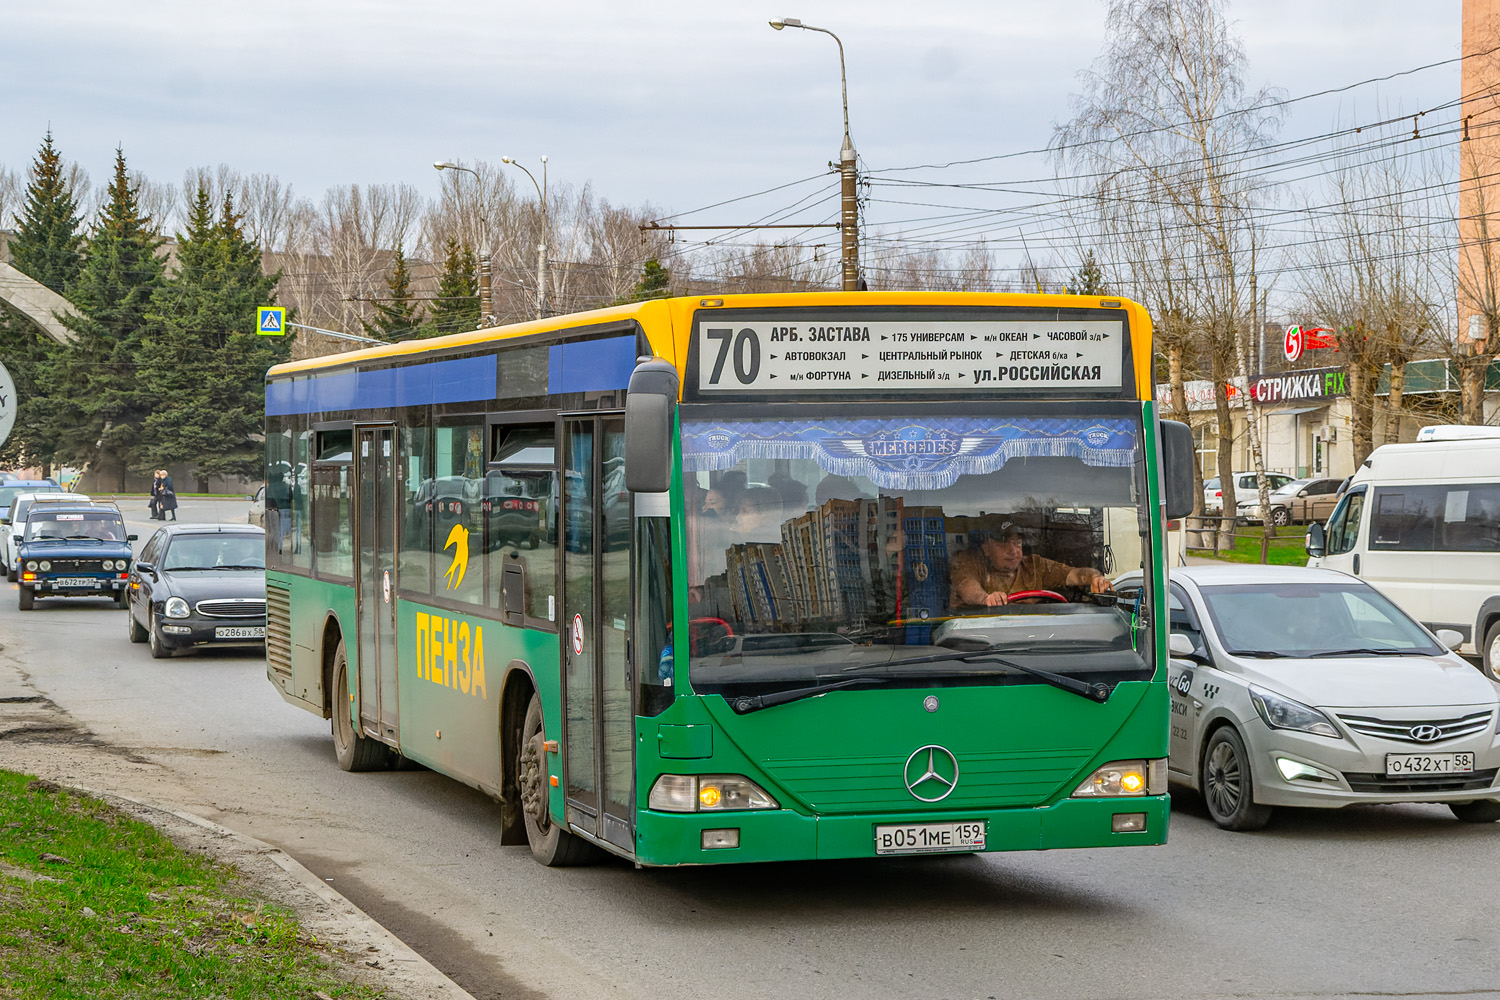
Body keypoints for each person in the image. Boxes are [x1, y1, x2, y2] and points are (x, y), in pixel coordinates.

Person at [948, 521, 1112, 607]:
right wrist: (986, 598)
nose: (1013, 550)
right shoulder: (971, 561)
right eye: (1005, 543)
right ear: (987, 548)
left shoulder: (1035, 566)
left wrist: (1095, 577)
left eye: (1017, 542)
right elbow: (966, 585)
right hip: (979, 641)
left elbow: (1074, 574)